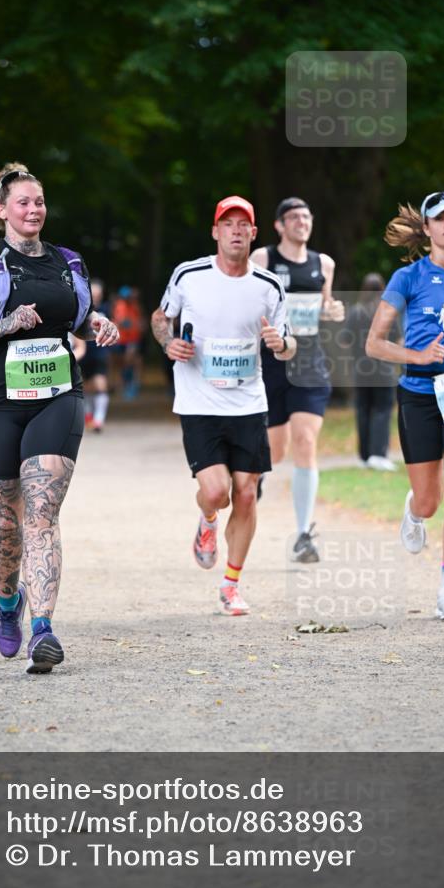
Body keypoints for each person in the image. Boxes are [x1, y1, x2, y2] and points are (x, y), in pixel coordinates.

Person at [0, 162, 119, 672]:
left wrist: (98, 324)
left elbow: (77, 319)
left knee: (41, 512)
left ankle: (43, 630)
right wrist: (6, 324)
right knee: (6, 520)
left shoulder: (68, 262)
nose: (33, 210)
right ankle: (8, 604)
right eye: (22, 202)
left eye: (39, 201)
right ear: (2, 210)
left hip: (56, 395)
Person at [151, 194, 295, 616]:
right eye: (228, 224)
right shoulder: (189, 275)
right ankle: (208, 519)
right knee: (216, 493)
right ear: (215, 231)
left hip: (248, 403)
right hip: (200, 402)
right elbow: (160, 317)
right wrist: (168, 343)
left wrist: (281, 344)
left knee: (247, 494)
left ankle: (231, 584)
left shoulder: (269, 285)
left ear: (254, 233)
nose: (236, 230)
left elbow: (289, 344)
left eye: (243, 224)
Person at [366, 192, 444, 621]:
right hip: (418, 394)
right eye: (440, 218)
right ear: (427, 229)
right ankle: (415, 510)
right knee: (431, 501)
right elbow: (374, 344)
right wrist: (418, 356)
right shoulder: (408, 278)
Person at [250, 197, 345, 562]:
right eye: (293, 217)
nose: (301, 222)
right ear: (279, 225)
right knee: (275, 452)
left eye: (306, 216)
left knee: (305, 441)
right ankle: (257, 478)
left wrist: (332, 310)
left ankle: (304, 534)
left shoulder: (324, 264)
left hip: (309, 364)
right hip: (271, 364)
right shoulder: (263, 259)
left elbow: (326, 307)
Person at [346, 273, 399, 471]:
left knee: (363, 411)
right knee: (382, 410)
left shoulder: (355, 312)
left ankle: (364, 456)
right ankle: (378, 454)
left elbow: (345, 339)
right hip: (384, 371)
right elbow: (398, 340)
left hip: (361, 371)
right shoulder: (387, 312)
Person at [80, 279, 111, 431]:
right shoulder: (81, 308)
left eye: (99, 294)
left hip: (100, 352)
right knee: (85, 386)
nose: (96, 297)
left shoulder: (107, 309)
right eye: (94, 294)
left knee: (100, 384)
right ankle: (88, 416)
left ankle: (99, 420)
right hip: (82, 353)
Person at [112, 285, 146, 399]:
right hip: (121, 339)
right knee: (123, 363)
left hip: (133, 339)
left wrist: (139, 324)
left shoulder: (135, 305)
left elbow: (140, 321)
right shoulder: (120, 305)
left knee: (134, 361)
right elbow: (122, 322)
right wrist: (136, 324)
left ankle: (133, 385)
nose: (129, 298)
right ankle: (123, 385)